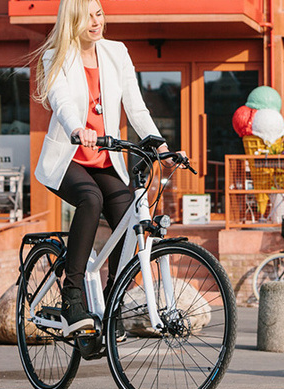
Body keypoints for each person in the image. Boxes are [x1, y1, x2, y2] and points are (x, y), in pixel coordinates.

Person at [31, 0, 186, 337]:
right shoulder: (57, 55)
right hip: (69, 158)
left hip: (106, 158)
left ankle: (112, 300)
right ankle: (73, 292)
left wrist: (161, 147)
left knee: (128, 219)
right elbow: (62, 101)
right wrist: (78, 129)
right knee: (90, 199)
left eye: (99, 14)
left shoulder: (116, 52)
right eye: (86, 16)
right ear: (72, 21)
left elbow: (136, 106)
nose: (95, 22)